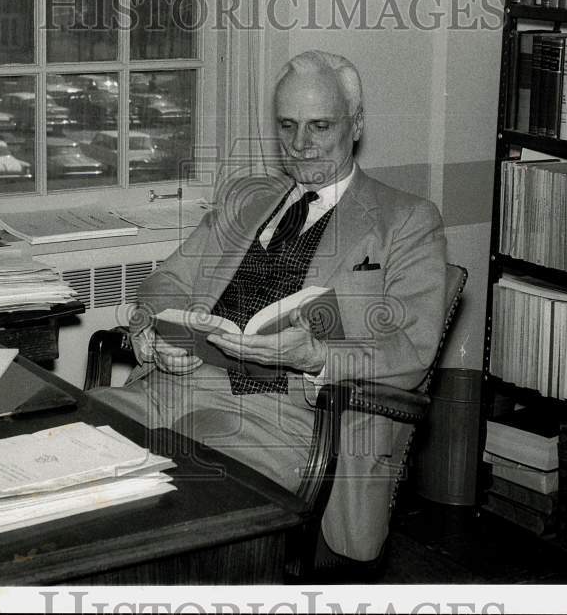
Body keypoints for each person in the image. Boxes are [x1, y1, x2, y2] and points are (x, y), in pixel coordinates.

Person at [93, 50, 448, 563]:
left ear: (357, 125)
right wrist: (153, 336)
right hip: (170, 389)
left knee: (168, 499)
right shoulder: (247, 198)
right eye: (287, 126)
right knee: (67, 451)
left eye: (319, 126)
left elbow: (411, 348)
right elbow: (169, 279)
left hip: (288, 419)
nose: (300, 145)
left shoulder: (406, 220)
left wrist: (316, 356)